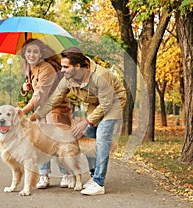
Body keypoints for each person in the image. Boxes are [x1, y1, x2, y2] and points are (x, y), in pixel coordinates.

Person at [29, 46, 126, 195]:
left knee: (102, 136)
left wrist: (86, 121)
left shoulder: (100, 75)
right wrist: (32, 117)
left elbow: (106, 104)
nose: (62, 70)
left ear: (78, 66)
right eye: (62, 66)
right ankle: (93, 176)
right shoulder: (68, 78)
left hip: (114, 102)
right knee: (87, 135)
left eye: (66, 66)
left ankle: (99, 183)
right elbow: (53, 100)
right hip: (96, 104)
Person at [20, 38, 72, 189]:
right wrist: (25, 88)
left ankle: (66, 174)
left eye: (35, 51)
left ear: (41, 53)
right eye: (28, 51)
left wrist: (21, 112)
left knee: (58, 143)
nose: (31, 54)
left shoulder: (47, 68)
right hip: (41, 112)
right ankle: (44, 175)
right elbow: (33, 92)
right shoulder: (30, 68)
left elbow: (39, 96)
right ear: (24, 53)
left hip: (55, 110)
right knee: (40, 143)